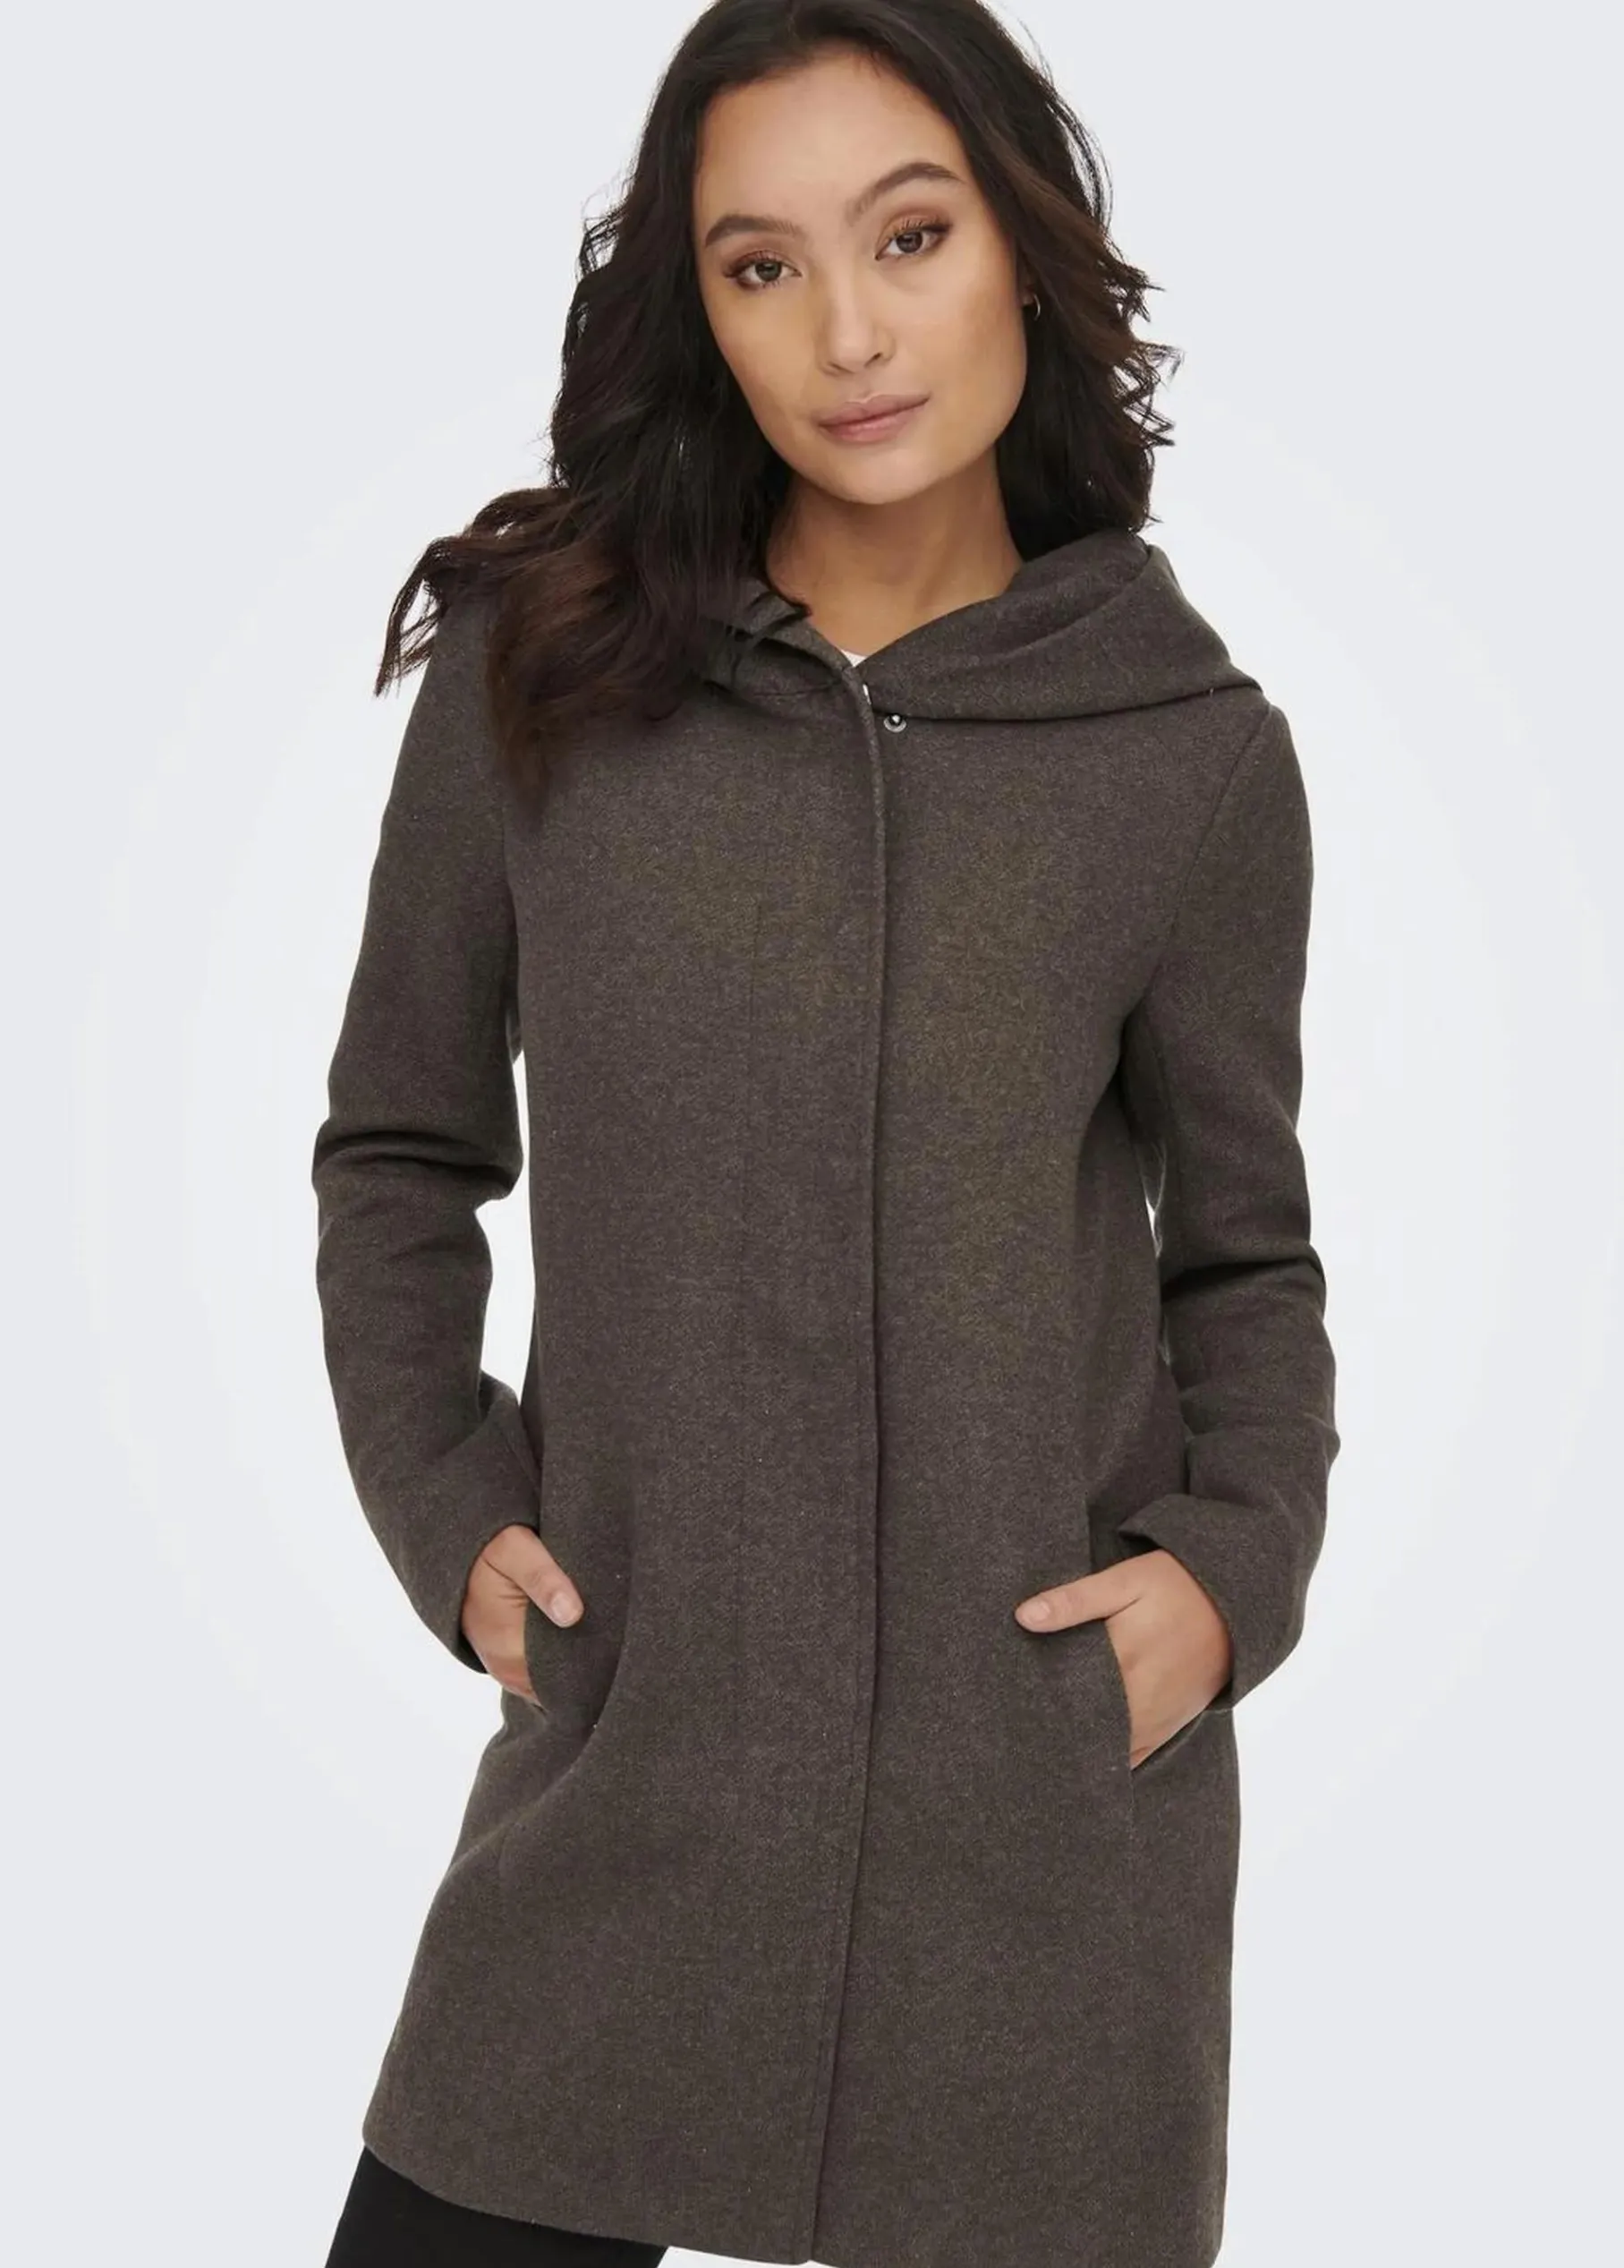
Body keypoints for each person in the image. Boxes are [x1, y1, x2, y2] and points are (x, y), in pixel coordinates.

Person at [313, 4, 1340, 2265]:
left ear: (1020, 247)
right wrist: (448, 1505)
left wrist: (1223, 1580)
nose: (848, 335)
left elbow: (1241, 1262)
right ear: (696, 307)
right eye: (760, 265)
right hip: (629, 1769)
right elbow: (396, 1147)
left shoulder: (1185, 756)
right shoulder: (539, 679)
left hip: (1035, 1848)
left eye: (908, 235)